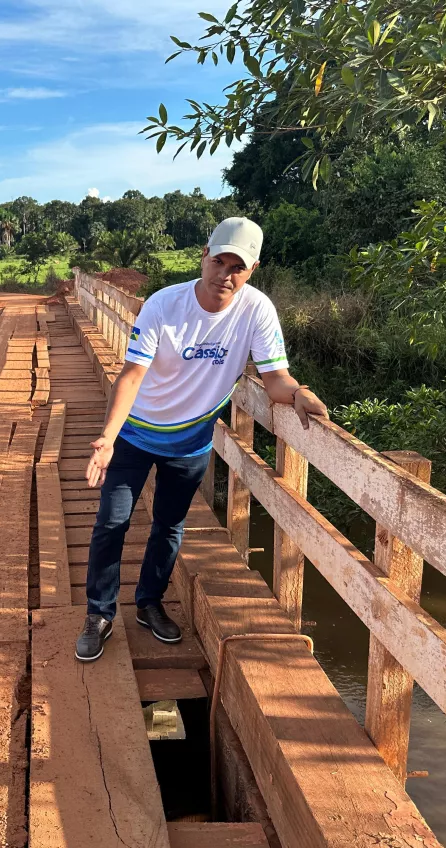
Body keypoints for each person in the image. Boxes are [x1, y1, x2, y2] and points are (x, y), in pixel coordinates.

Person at [75, 216, 328, 662]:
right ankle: (99, 613)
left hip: (190, 443)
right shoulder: (163, 304)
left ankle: (149, 604)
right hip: (135, 433)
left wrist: (300, 393)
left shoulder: (257, 310)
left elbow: (275, 380)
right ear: (203, 256)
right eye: (218, 261)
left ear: (252, 270)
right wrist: (107, 438)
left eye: (237, 267)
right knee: (111, 523)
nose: (224, 274)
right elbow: (132, 376)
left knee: (170, 527)